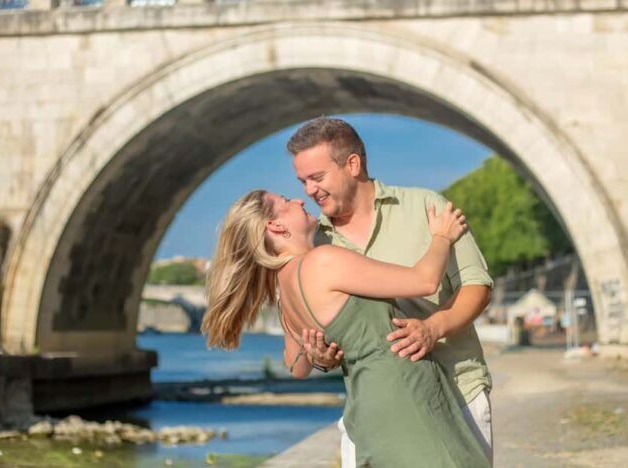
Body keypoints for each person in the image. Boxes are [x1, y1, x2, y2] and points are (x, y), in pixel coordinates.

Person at [202, 189, 490, 467]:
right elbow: (424, 281)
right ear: (275, 226)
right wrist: (442, 236)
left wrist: (320, 357)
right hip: (403, 395)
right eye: (286, 201)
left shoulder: (285, 289)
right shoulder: (323, 261)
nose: (299, 200)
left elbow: (297, 367)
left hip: (366, 404)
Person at [288, 118, 495, 466]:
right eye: (302, 181)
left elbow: (477, 286)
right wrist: (324, 358)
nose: (309, 190)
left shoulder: (425, 207)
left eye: (317, 177)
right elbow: (321, 339)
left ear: (353, 164)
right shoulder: (317, 243)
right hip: (374, 412)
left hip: (457, 390)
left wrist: (433, 328)